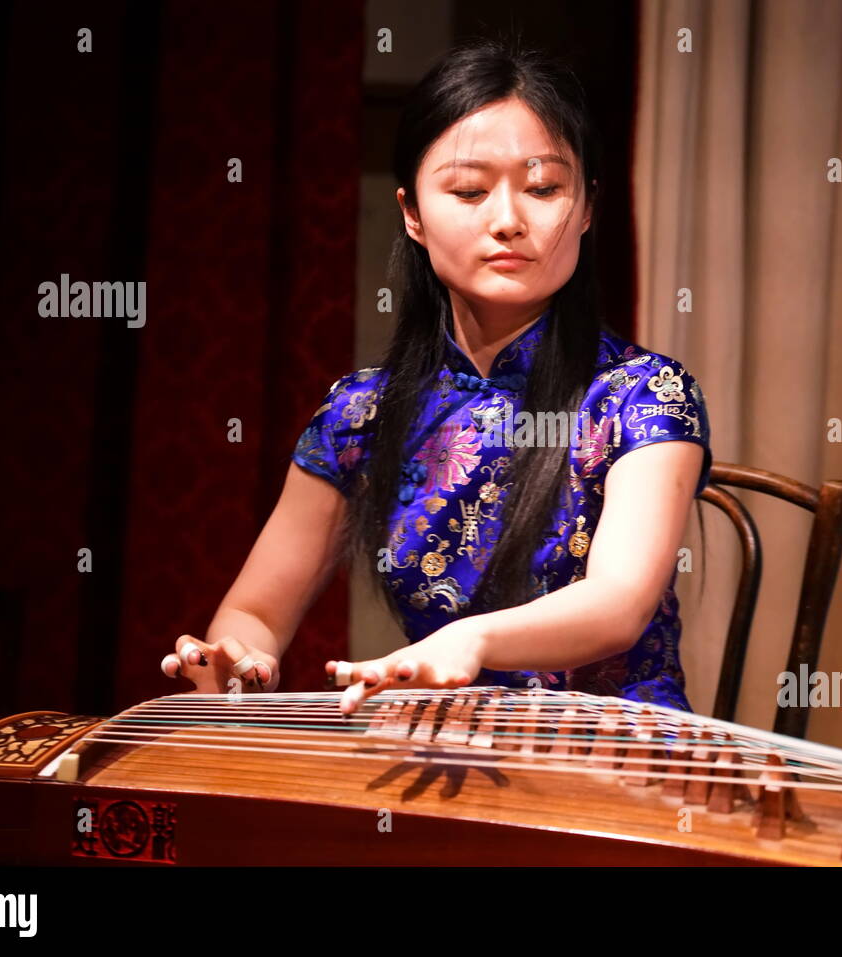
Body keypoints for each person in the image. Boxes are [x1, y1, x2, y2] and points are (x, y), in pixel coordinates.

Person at [161, 37, 712, 717]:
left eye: (544, 188)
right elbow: (254, 612)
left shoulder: (643, 394)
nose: (508, 220)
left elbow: (618, 604)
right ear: (413, 215)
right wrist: (237, 660)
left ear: (589, 207)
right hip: (442, 750)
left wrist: (471, 638)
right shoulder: (362, 411)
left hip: (610, 759)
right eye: (469, 191)